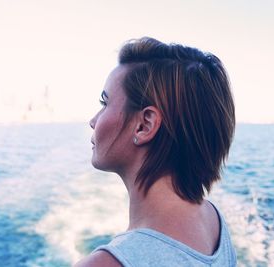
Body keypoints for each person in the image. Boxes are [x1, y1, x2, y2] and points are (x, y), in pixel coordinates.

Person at [75, 37, 237, 267]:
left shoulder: (106, 264)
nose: (93, 121)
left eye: (105, 103)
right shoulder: (213, 221)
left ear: (144, 125)